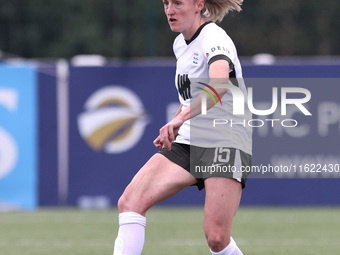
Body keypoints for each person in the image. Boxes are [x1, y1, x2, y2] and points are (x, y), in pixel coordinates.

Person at [112, 0, 252, 254]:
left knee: (217, 238)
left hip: (225, 136)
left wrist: (180, 118)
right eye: (165, 3)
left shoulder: (213, 36)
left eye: (177, 3)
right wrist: (177, 120)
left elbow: (219, 85)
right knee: (130, 201)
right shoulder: (180, 44)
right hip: (190, 137)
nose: (169, 10)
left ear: (199, 5)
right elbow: (189, 99)